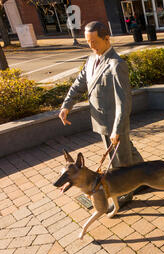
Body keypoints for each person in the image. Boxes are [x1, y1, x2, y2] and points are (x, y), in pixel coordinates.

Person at [59, 20, 143, 208]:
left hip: (114, 123)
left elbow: (124, 101)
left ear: (107, 38)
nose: (91, 46)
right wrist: (66, 106)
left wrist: (117, 129)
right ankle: (144, 173)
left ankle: (126, 193)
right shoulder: (90, 60)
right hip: (100, 120)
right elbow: (78, 84)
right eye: (88, 42)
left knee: (119, 161)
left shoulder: (116, 64)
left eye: (94, 42)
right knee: (126, 152)